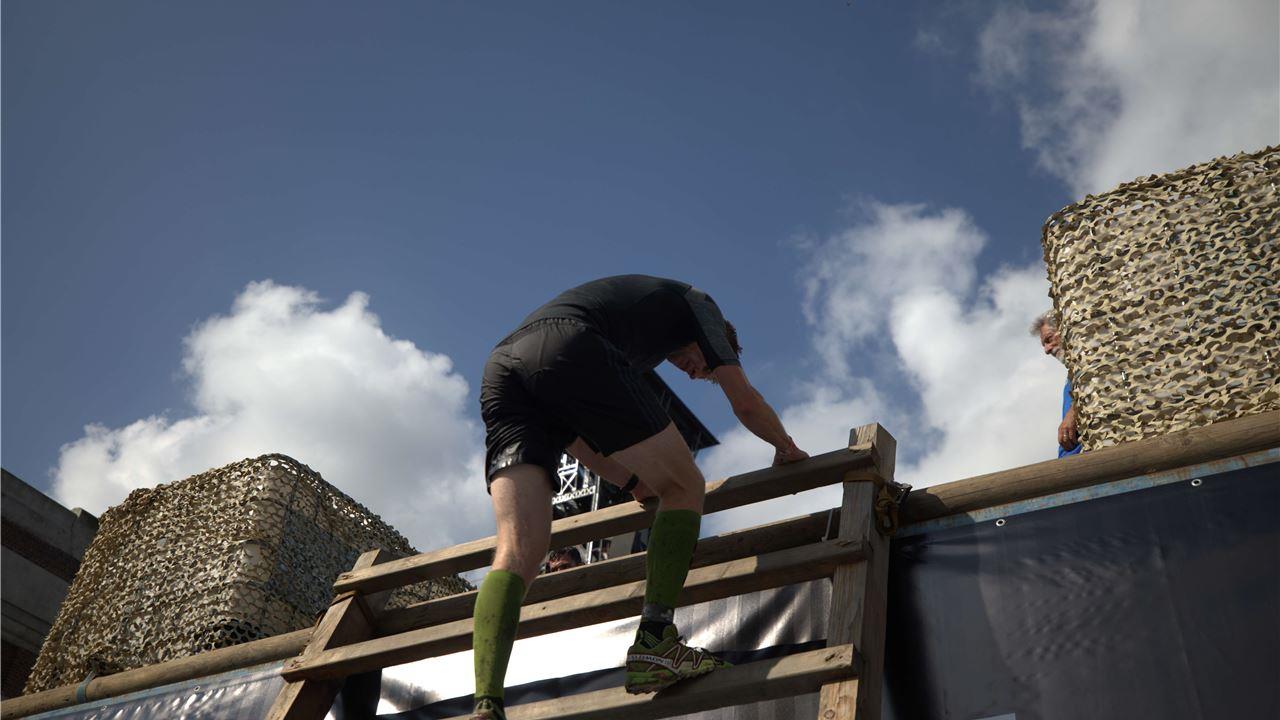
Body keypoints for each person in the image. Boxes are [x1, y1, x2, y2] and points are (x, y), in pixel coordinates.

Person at [471, 275, 809, 719]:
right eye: (705, 367)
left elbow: (575, 438)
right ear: (716, 342)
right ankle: (655, 642)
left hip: (502, 367)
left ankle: (487, 703)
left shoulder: (637, 337)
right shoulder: (699, 306)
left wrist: (633, 483)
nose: (696, 374)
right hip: (568, 342)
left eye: (702, 375)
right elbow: (744, 401)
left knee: (520, 548)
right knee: (686, 486)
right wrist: (786, 447)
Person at [1031, 311, 1082, 457]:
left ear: (1065, 330)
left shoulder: (1093, 366)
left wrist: (1074, 412)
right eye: (1044, 345)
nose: (1047, 350)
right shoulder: (1071, 378)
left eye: (1049, 339)